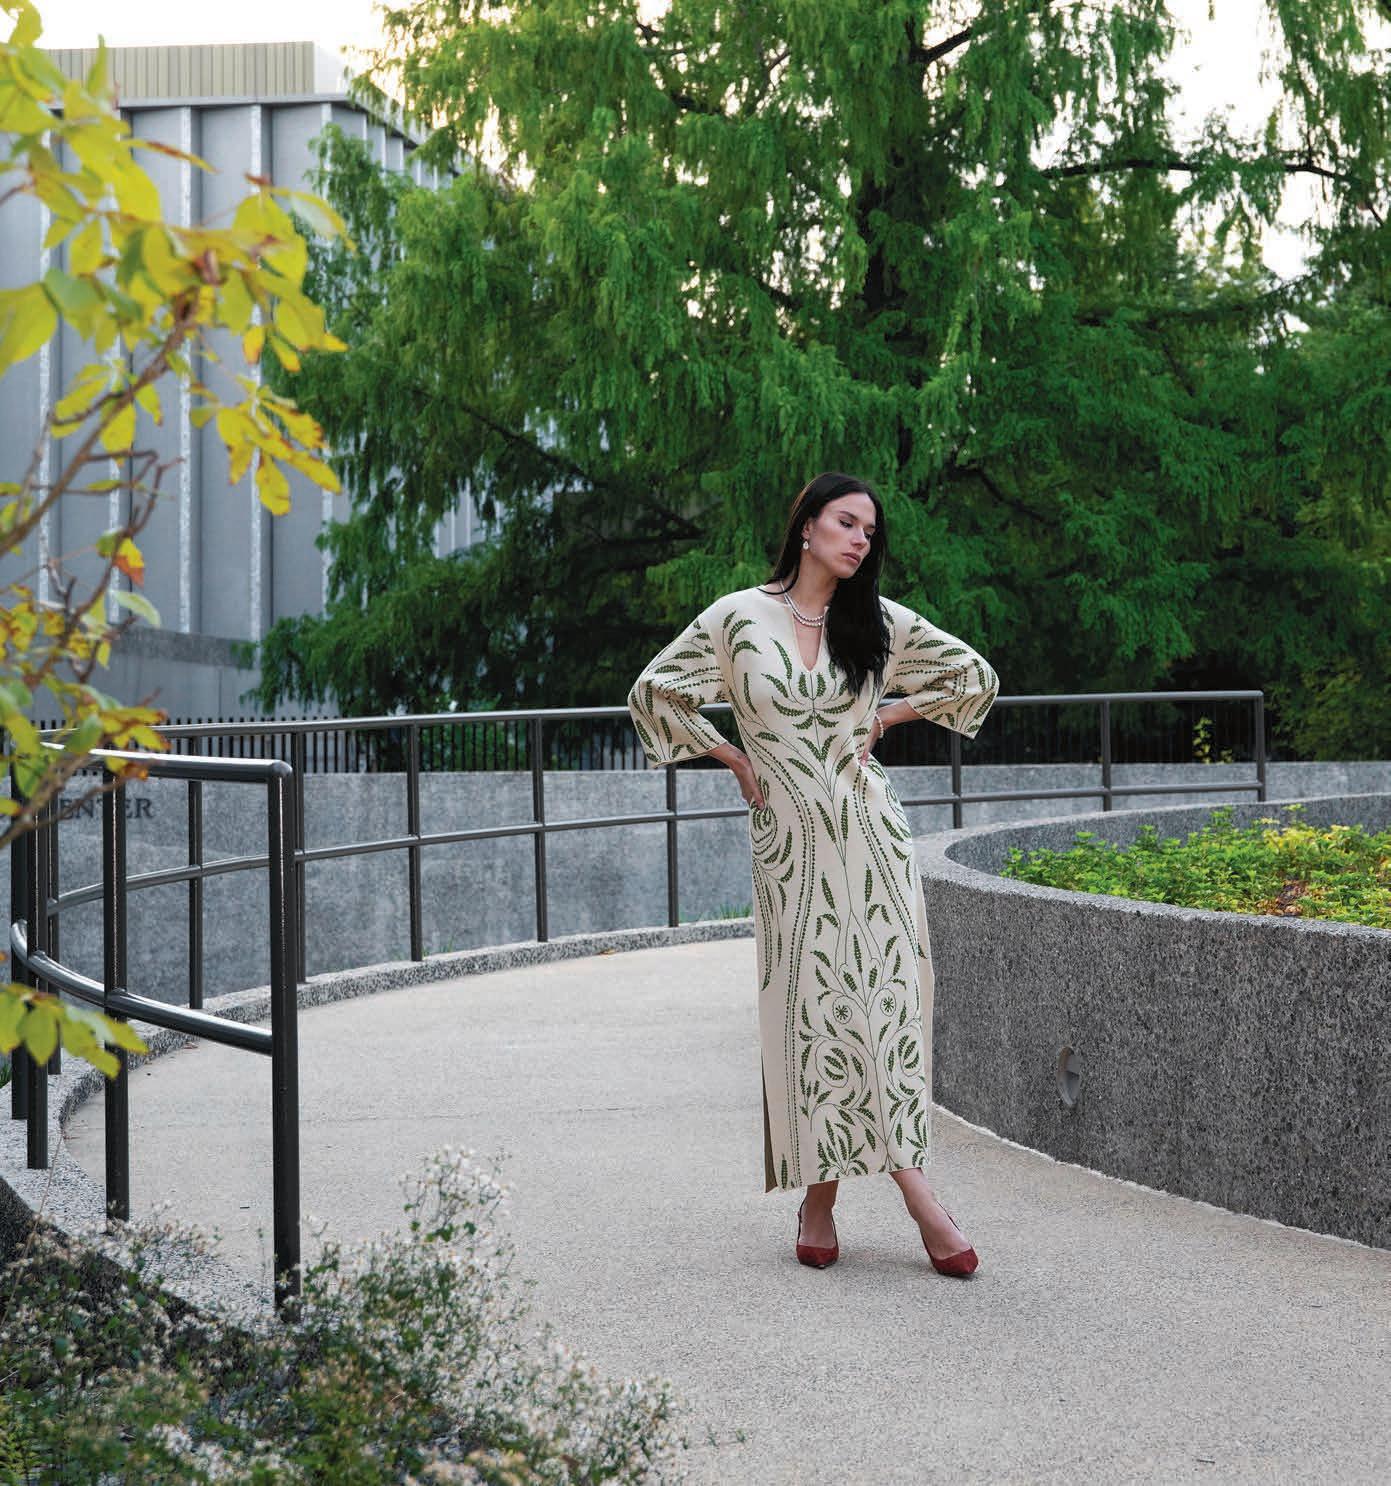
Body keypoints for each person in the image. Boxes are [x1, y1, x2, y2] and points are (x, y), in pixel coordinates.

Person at [627, 472, 999, 1277]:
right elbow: (655, 693)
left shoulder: (879, 623)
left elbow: (972, 676)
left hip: (872, 838)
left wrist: (889, 714)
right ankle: (840, 1200)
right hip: (789, 849)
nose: (861, 539)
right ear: (806, 525)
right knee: (811, 1015)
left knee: (883, 1012)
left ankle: (907, 1196)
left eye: (869, 530)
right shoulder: (735, 618)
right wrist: (732, 757)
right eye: (846, 522)